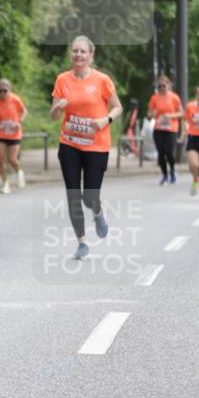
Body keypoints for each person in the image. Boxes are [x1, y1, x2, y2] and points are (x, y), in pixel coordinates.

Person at [50, 36, 123, 261]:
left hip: (96, 145)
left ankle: (98, 212)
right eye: (75, 51)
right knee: (73, 195)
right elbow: (54, 116)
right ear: (70, 54)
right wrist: (58, 107)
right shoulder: (62, 80)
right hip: (69, 143)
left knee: (89, 197)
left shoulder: (102, 80)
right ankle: (82, 242)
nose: (78, 55)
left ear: (90, 55)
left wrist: (105, 120)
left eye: (83, 51)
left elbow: (117, 107)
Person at [0, 79, 27, 194]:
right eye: (0, 91)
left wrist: (19, 122)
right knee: (1, 160)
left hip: (14, 133)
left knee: (12, 159)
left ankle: (19, 172)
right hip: (0, 133)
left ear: (9, 90)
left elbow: (24, 111)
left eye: (5, 90)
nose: (3, 93)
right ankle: (5, 184)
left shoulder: (15, 99)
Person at [146, 75, 183, 185]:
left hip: (171, 129)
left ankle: (172, 171)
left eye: (164, 86)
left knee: (170, 153)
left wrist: (170, 116)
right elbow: (149, 113)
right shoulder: (154, 98)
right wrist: (152, 114)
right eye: (159, 86)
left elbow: (181, 113)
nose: (161, 88)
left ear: (169, 85)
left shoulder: (174, 97)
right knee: (161, 153)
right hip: (158, 128)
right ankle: (164, 175)